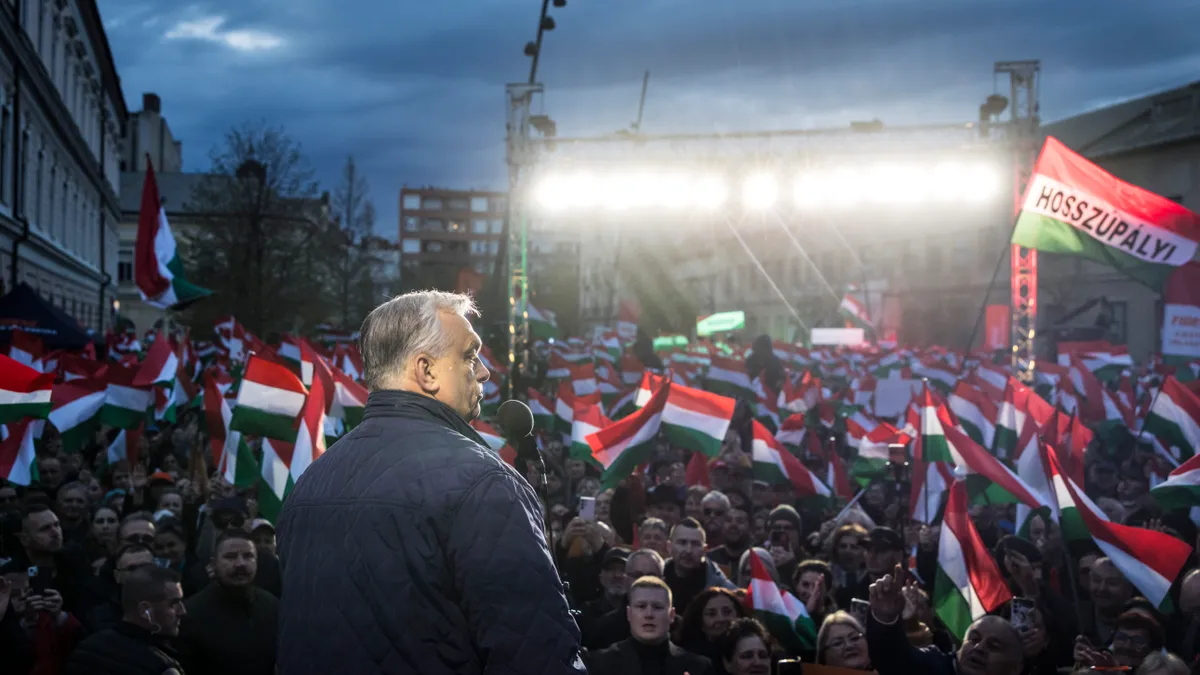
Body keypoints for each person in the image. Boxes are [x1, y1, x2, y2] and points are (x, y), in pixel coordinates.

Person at [277, 291, 584, 675]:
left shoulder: (309, 483)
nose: (484, 372)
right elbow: (538, 657)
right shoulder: (484, 482)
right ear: (426, 371)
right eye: (470, 356)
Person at [176, 530, 279, 675]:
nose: (240, 564)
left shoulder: (272, 606)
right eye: (230, 557)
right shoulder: (191, 614)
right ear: (213, 564)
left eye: (248, 556)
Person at [63, 566, 188, 675]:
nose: (182, 611)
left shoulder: (86, 648)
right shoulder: (161, 667)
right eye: (173, 604)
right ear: (145, 610)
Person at [584, 576, 715, 675]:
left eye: (657, 607)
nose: (649, 614)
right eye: (641, 606)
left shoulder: (698, 668)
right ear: (629, 614)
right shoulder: (600, 664)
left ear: (671, 615)